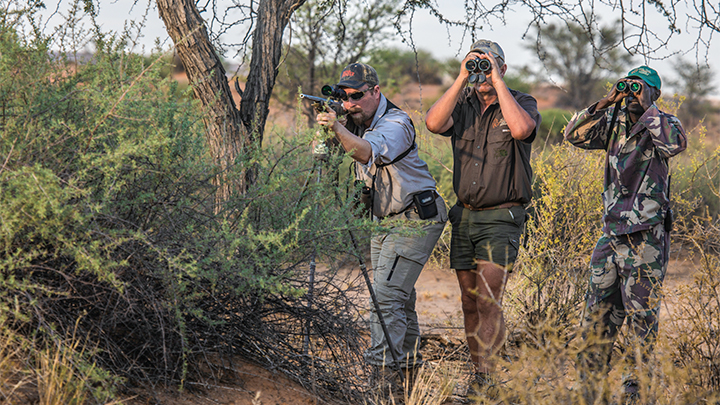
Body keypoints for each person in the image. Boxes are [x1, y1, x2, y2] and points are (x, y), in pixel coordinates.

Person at [313, 62, 447, 396]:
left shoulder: (397, 122)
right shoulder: (353, 121)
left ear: (375, 92)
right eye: (343, 96)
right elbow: (320, 157)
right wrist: (326, 129)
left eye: (357, 95)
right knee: (400, 300)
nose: (349, 103)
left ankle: (383, 385)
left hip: (415, 219)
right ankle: (410, 378)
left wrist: (339, 128)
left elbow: (366, 151)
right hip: (383, 221)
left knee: (385, 298)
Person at [563, 66, 686, 402]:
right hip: (611, 236)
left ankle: (635, 392)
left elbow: (674, 145)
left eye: (640, 88)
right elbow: (572, 134)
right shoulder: (611, 123)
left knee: (641, 324)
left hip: (646, 239)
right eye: (629, 85)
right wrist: (605, 101)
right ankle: (591, 390)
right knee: (596, 319)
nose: (632, 92)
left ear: (654, 94)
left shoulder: (664, 123)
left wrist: (648, 108)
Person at [425, 40, 541, 395]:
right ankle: (480, 376)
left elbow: (522, 131)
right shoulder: (463, 103)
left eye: (489, 66)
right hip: (465, 216)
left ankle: (489, 381)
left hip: (501, 215)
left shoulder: (521, 102)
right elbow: (432, 123)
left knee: (489, 299)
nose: (482, 74)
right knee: (468, 300)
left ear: (503, 68)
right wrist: (462, 78)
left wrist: (497, 81)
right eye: (476, 65)